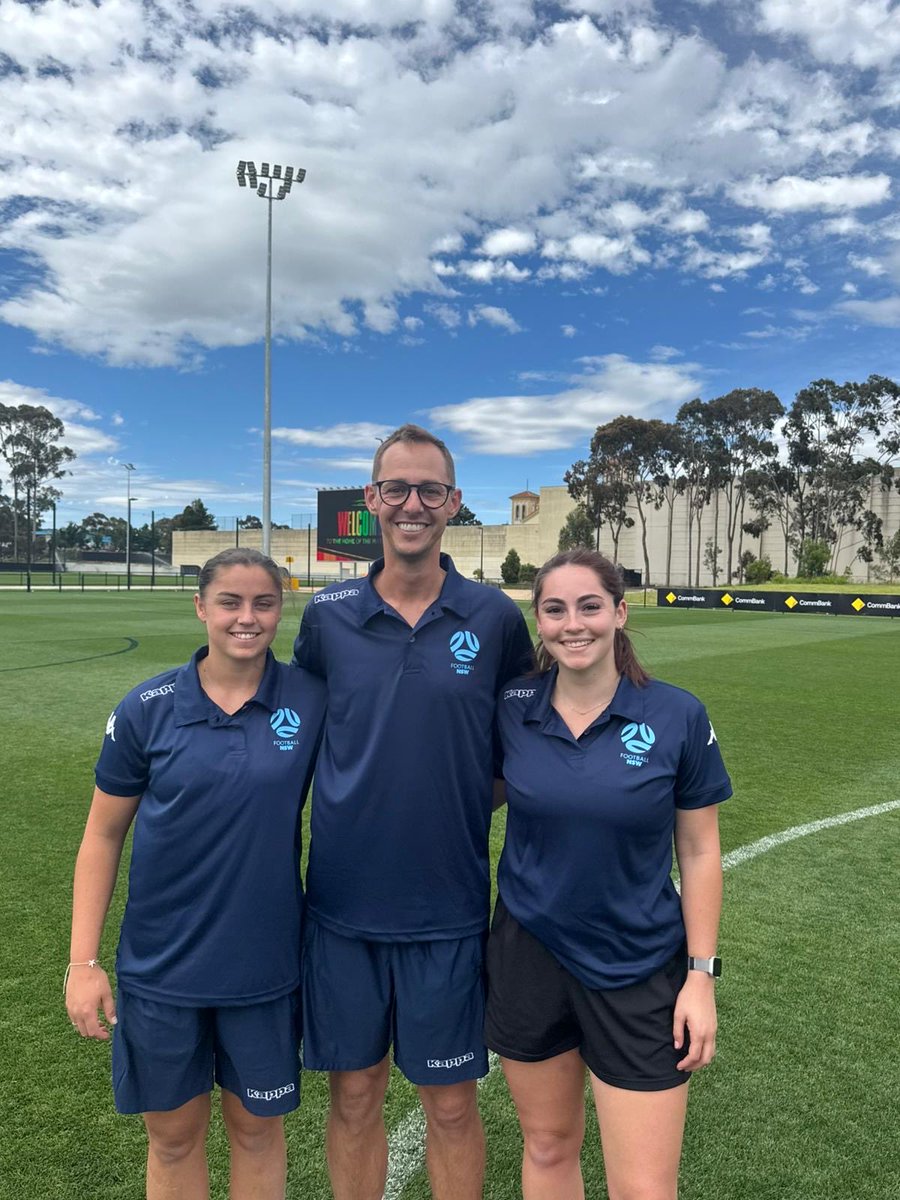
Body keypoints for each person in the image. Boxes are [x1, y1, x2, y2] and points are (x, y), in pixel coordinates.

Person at [292, 423, 533, 1200]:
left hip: (449, 910)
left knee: (453, 1106)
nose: (412, 504)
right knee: (354, 1098)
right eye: (396, 488)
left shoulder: (494, 619)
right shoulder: (326, 618)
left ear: (454, 503)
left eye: (430, 489)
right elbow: (298, 740)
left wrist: (455, 792)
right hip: (341, 910)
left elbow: (524, 753)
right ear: (370, 501)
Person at [65, 547, 326, 1200]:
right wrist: (83, 962)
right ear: (201, 607)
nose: (247, 618)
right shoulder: (146, 709)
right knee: (174, 1139)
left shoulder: (309, 700)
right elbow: (102, 834)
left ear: (281, 608)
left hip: (265, 969)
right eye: (230, 602)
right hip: (163, 971)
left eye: (264, 603)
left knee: (258, 1135)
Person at [486, 548, 730, 1200]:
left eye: (590, 606)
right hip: (527, 955)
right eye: (555, 609)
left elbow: (701, 851)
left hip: (637, 963)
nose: (574, 624)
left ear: (619, 612)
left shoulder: (677, 715)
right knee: (546, 1147)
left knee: (644, 1186)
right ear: (538, 621)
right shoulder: (512, 706)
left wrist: (701, 978)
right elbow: (465, 790)